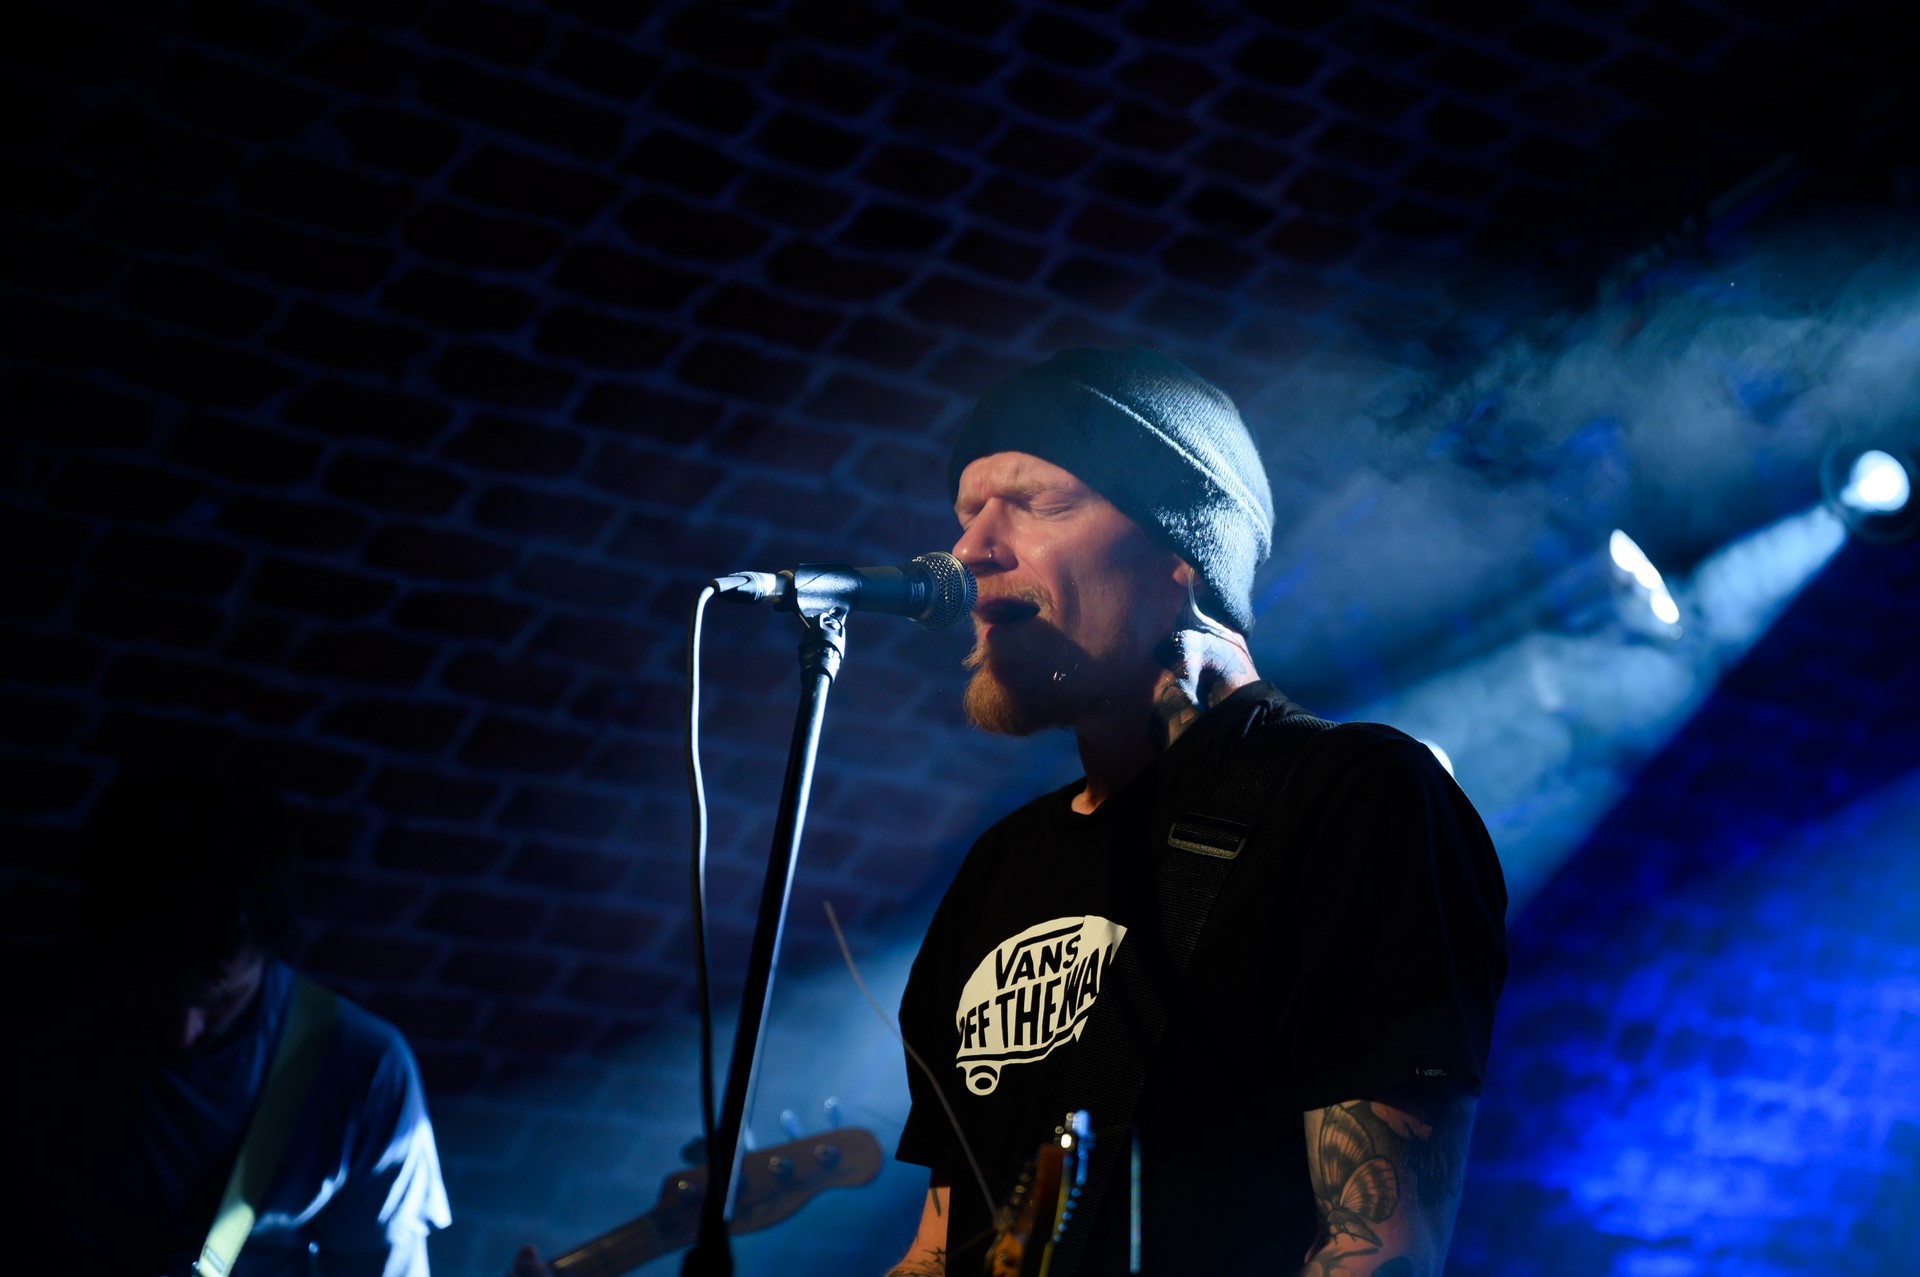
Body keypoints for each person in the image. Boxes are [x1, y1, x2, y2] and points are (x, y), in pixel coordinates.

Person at [885, 348, 1508, 1275]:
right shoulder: (998, 870)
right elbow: (940, 1248)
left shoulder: (1350, 796)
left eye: (1034, 502)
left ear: (1184, 550)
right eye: (966, 514)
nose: (969, 551)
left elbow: (1376, 1245)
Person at [5, 762, 452, 1276]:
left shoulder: (365, 1073)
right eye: (150, 990)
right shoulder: (24, 1016)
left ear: (268, 951)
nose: (182, 1032)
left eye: (220, 1001)